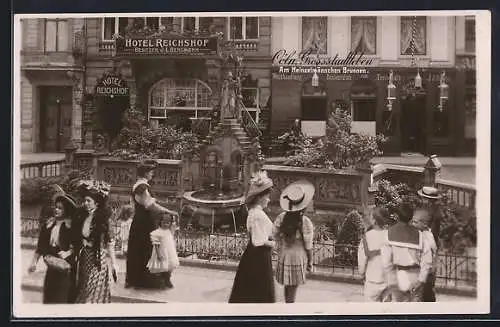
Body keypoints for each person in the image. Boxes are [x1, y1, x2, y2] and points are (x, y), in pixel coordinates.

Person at [125, 159, 179, 289]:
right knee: (147, 249)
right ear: (146, 173)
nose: (152, 174)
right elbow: (151, 206)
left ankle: (138, 279)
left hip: (141, 221)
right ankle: (145, 281)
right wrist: (169, 211)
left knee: (140, 249)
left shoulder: (140, 185)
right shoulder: (142, 187)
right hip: (144, 223)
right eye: (151, 172)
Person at [229, 170, 276, 303]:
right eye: (267, 196)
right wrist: (277, 244)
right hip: (258, 257)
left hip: (257, 256)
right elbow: (258, 241)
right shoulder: (257, 214)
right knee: (257, 292)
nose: (269, 199)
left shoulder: (256, 212)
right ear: (260, 197)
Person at [72, 180, 118, 303]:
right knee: (84, 286)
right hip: (84, 257)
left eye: (88, 201)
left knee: (92, 289)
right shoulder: (82, 217)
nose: (85, 203)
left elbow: (110, 243)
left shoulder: (104, 220)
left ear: (96, 203)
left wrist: (114, 264)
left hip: (98, 258)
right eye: (85, 201)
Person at [28, 189, 77, 304]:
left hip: (66, 268)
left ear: (66, 210)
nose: (56, 210)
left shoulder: (71, 226)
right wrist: (34, 262)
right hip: (51, 267)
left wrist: (67, 253)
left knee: (62, 298)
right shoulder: (49, 225)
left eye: (60, 208)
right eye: (56, 207)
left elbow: (77, 245)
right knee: (49, 297)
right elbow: (41, 246)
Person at [381, 203, 434, 302]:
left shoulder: (389, 233)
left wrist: (391, 279)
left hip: (398, 275)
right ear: (411, 217)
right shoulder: (420, 236)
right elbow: (427, 260)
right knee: (414, 312)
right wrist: (421, 280)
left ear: (397, 216)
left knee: (399, 310)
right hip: (415, 276)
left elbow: (386, 261)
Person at [273, 179, 315, 303]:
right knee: (293, 287)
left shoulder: (282, 217)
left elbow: (274, 235)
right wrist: (310, 261)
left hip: (285, 255)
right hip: (298, 256)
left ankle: (287, 305)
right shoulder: (305, 222)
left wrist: (281, 245)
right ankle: (290, 309)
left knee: (287, 285)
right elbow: (308, 245)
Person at [358, 207, 392, 302]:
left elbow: (362, 258)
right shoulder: (389, 235)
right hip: (387, 279)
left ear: (373, 220)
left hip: (372, 279)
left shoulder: (367, 236)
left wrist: (361, 273)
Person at [412, 207, 439, 302]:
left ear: (424, 224)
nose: (413, 224)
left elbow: (428, 259)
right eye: (412, 221)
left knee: (425, 298)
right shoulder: (424, 233)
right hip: (426, 274)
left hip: (427, 275)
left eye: (415, 222)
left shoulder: (426, 237)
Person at [149, 212, 180, 288]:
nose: (166, 225)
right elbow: (156, 244)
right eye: (164, 223)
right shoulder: (157, 233)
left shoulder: (169, 231)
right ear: (160, 222)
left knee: (169, 266)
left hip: (169, 252)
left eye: (168, 223)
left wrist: (175, 216)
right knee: (161, 267)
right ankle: (161, 281)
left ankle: (167, 279)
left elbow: (175, 225)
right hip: (161, 251)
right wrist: (158, 254)